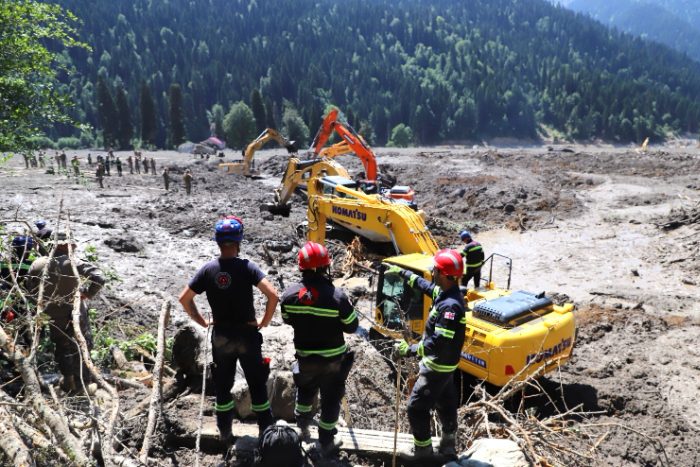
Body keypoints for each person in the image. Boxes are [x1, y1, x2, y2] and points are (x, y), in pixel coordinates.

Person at [178, 217, 278, 442]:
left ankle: (225, 433)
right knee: (257, 385)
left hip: (221, 336)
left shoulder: (208, 269)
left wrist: (200, 320)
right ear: (239, 241)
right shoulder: (247, 267)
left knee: (223, 387)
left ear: (218, 242)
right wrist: (264, 320)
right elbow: (273, 295)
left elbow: (184, 298)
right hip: (247, 336)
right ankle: (266, 434)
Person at [280, 241, 358, 457]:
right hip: (333, 361)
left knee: (305, 391)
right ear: (326, 266)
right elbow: (352, 327)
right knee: (331, 397)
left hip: (305, 359)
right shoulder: (338, 297)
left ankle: (302, 428)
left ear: (301, 267)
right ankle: (326, 441)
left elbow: (287, 319)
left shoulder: (289, 296)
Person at [389, 249, 466, 460]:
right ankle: (448, 446)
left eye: (435, 270)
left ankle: (423, 453)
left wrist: (411, 349)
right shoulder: (445, 294)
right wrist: (404, 274)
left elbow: (439, 342)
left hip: (437, 366)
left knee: (415, 408)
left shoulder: (450, 307)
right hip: (446, 366)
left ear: (443, 273)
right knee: (446, 402)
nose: (432, 272)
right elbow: (427, 287)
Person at [26, 233, 105, 393]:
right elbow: (99, 277)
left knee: (61, 346)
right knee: (82, 346)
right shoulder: (74, 262)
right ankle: (82, 385)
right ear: (64, 245)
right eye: (72, 245)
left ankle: (68, 381)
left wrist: (42, 303)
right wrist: (88, 294)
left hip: (52, 315)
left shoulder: (38, 264)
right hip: (75, 313)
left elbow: (29, 289)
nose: (74, 247)